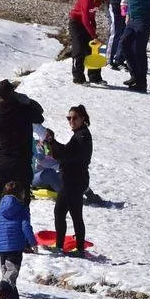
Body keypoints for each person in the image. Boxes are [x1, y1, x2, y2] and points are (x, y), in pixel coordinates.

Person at [45, 105, 93, 256]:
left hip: (74, 181)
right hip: (70, 180)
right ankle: (61, 246)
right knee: (60, 212)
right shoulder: (80, 134)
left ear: (83, 118)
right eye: (69, 118)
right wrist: (53, 142)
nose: (71, 121)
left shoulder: (82, 136)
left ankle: (79, 249)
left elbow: (64, 154)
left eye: (74, 118)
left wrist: (52, 143)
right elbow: (66, 150)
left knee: (75, 215)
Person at [0, 79, 45, 209]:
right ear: (13, 93)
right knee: (23, 205)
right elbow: (40, 116)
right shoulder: (24, 110)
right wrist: (27, 100)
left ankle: (0, 228)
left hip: (4, 163)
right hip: (22, 164)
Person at [0, 180, 38, 299]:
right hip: (15, 247)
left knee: (6, 274)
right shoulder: (22, 209)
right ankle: (0, 292)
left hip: (2, 248)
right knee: (11, 273)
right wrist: (32, 242)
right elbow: (26, 226)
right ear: (20, 194)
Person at [68, 0, 111, 85]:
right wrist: (94, 36)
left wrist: (94, 33)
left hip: (86, 24)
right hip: (76, 24)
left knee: (93, 50)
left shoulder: (98, 1)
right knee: (79, 50)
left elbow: (92, 17)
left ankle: (95, 77)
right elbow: (85, 19)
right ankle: (78, 78)